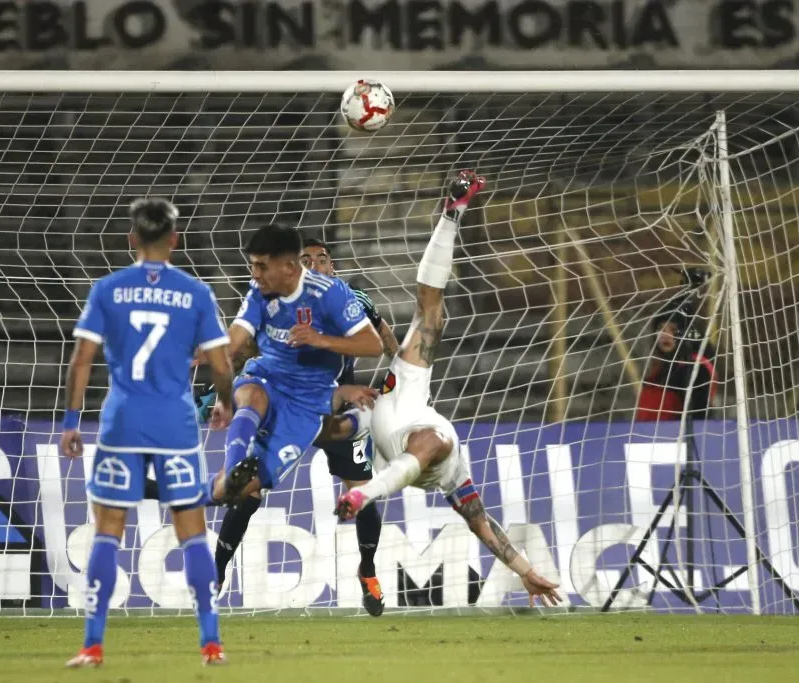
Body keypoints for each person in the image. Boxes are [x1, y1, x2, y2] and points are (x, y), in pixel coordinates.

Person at [330, 170, 562, 607]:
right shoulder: (455, 470)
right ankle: (453, 213)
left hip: (385, 433)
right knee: (432, 314)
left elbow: (482, 526)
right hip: (408, 397)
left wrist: (527, 575)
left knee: (414, 440)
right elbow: (485, 525)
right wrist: (527, 571)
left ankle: (363, 494)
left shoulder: (437, 459)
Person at [59, 198, 234, 668]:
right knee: (193, 535)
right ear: (174, 239)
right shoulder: (196, 293)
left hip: (121, 424)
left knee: (107, 533)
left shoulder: (108, 289)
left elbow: (82, 360)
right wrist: (226, 402)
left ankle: (92, 646)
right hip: (175, 427)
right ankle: (211, 644)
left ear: (131, 239)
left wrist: (71, 423)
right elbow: (220, 364)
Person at [212, 238, 397, 617]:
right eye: (305, 259)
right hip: (292, 405)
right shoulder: (277, 298)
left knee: (362, 494)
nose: (313, 264)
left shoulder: (350, 301)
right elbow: (248, 346)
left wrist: (400, 385)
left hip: (338, 413)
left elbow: (387, 342)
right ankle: (217, 569)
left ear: (333, 268)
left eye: (321, 259)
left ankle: (368, 570)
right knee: (249, 489)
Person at [208, 224, 384, 507]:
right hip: (267, 376)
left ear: (289, 267)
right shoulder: (259, 291)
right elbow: (234, 340)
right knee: (253, 394)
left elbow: (374, 345)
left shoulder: (332, 293)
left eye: (262, 266)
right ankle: (233, 470)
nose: (255, 275)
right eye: (252, 265)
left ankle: (211, 488)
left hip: (307, 402)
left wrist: (320, 340)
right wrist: (210, 353)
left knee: (230, 493)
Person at [636, 301, 716, 422]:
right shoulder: (661, 368)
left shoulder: (695, 367)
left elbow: (698, 414)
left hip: (674, 436)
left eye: (673, 329)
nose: (665, 335)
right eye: (660, 329)